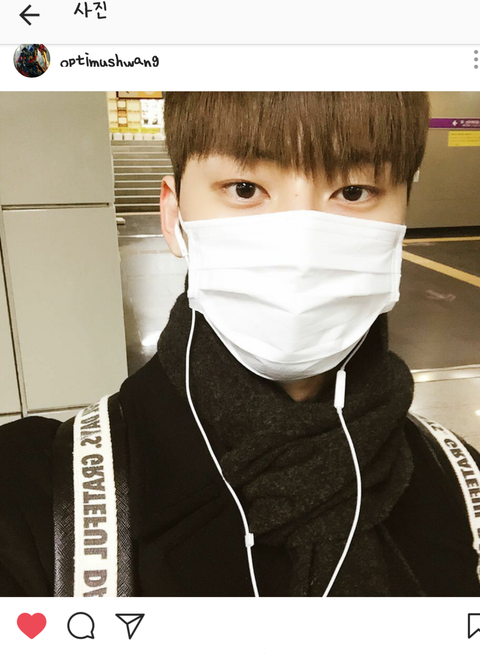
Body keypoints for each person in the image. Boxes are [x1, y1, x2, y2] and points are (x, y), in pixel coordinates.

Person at [1, 92, 480, 597]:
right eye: (245, 189)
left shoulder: (461, 481)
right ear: (174, 214)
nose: (301, 249)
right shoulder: (37, 499)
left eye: (354, 191)